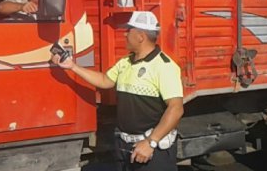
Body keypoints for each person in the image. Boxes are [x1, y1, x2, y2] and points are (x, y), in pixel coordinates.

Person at [52, 11, 184, 170]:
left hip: (151, 151)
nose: (125, 35)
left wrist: (151, 142)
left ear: (140, 36)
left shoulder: (164, 67)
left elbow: (176, 109)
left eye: (128, 31)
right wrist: (72, 66)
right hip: (125, 147)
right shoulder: (125, 62)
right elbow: (104, 81)